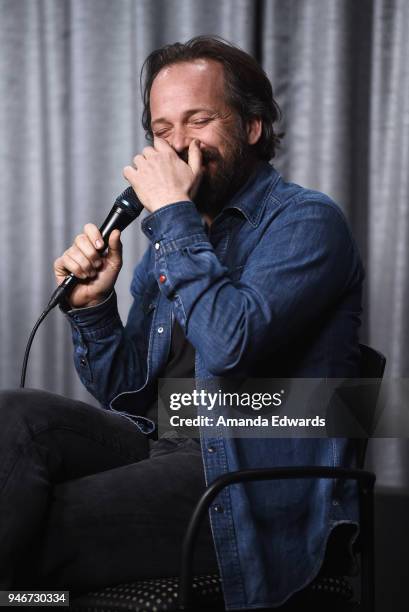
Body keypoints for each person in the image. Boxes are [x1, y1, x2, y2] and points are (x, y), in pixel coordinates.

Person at [0, 36, 364, 609]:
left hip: (246, 470)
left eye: (199, 120)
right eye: (162, 129)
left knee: (33, 518)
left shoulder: (308, 221)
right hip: (160, 446)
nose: (177, 144)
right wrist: (93, 307)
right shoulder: (173, 244)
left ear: (251, 127)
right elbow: (125, 396)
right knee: (13, 413)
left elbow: (229, 346)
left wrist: (172, 217)